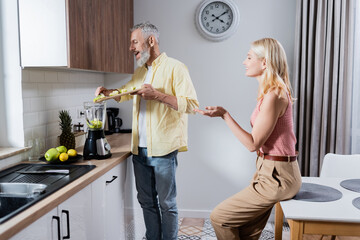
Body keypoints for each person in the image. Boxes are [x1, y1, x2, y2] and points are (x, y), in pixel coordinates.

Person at [95, 22, 198, 240]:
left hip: (163, 149)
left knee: (166, 203)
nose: (131, 48)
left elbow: (191, 104)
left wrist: (158, 95)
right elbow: (125, 92)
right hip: (138, 151)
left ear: (151, 41)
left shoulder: (176, 68)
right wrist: (108, 92)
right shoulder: (141, 72)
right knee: (146, 201)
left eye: (134, 42)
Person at [194, 38, 302, 240]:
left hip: (277, 178)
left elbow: (253, 144)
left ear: (264, 63)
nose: (244, 61)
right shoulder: (270, 92)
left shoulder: (275, 95)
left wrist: (225, 115)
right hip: (269, 172)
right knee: (246, 233)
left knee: (219, 217)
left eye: (249, 57)